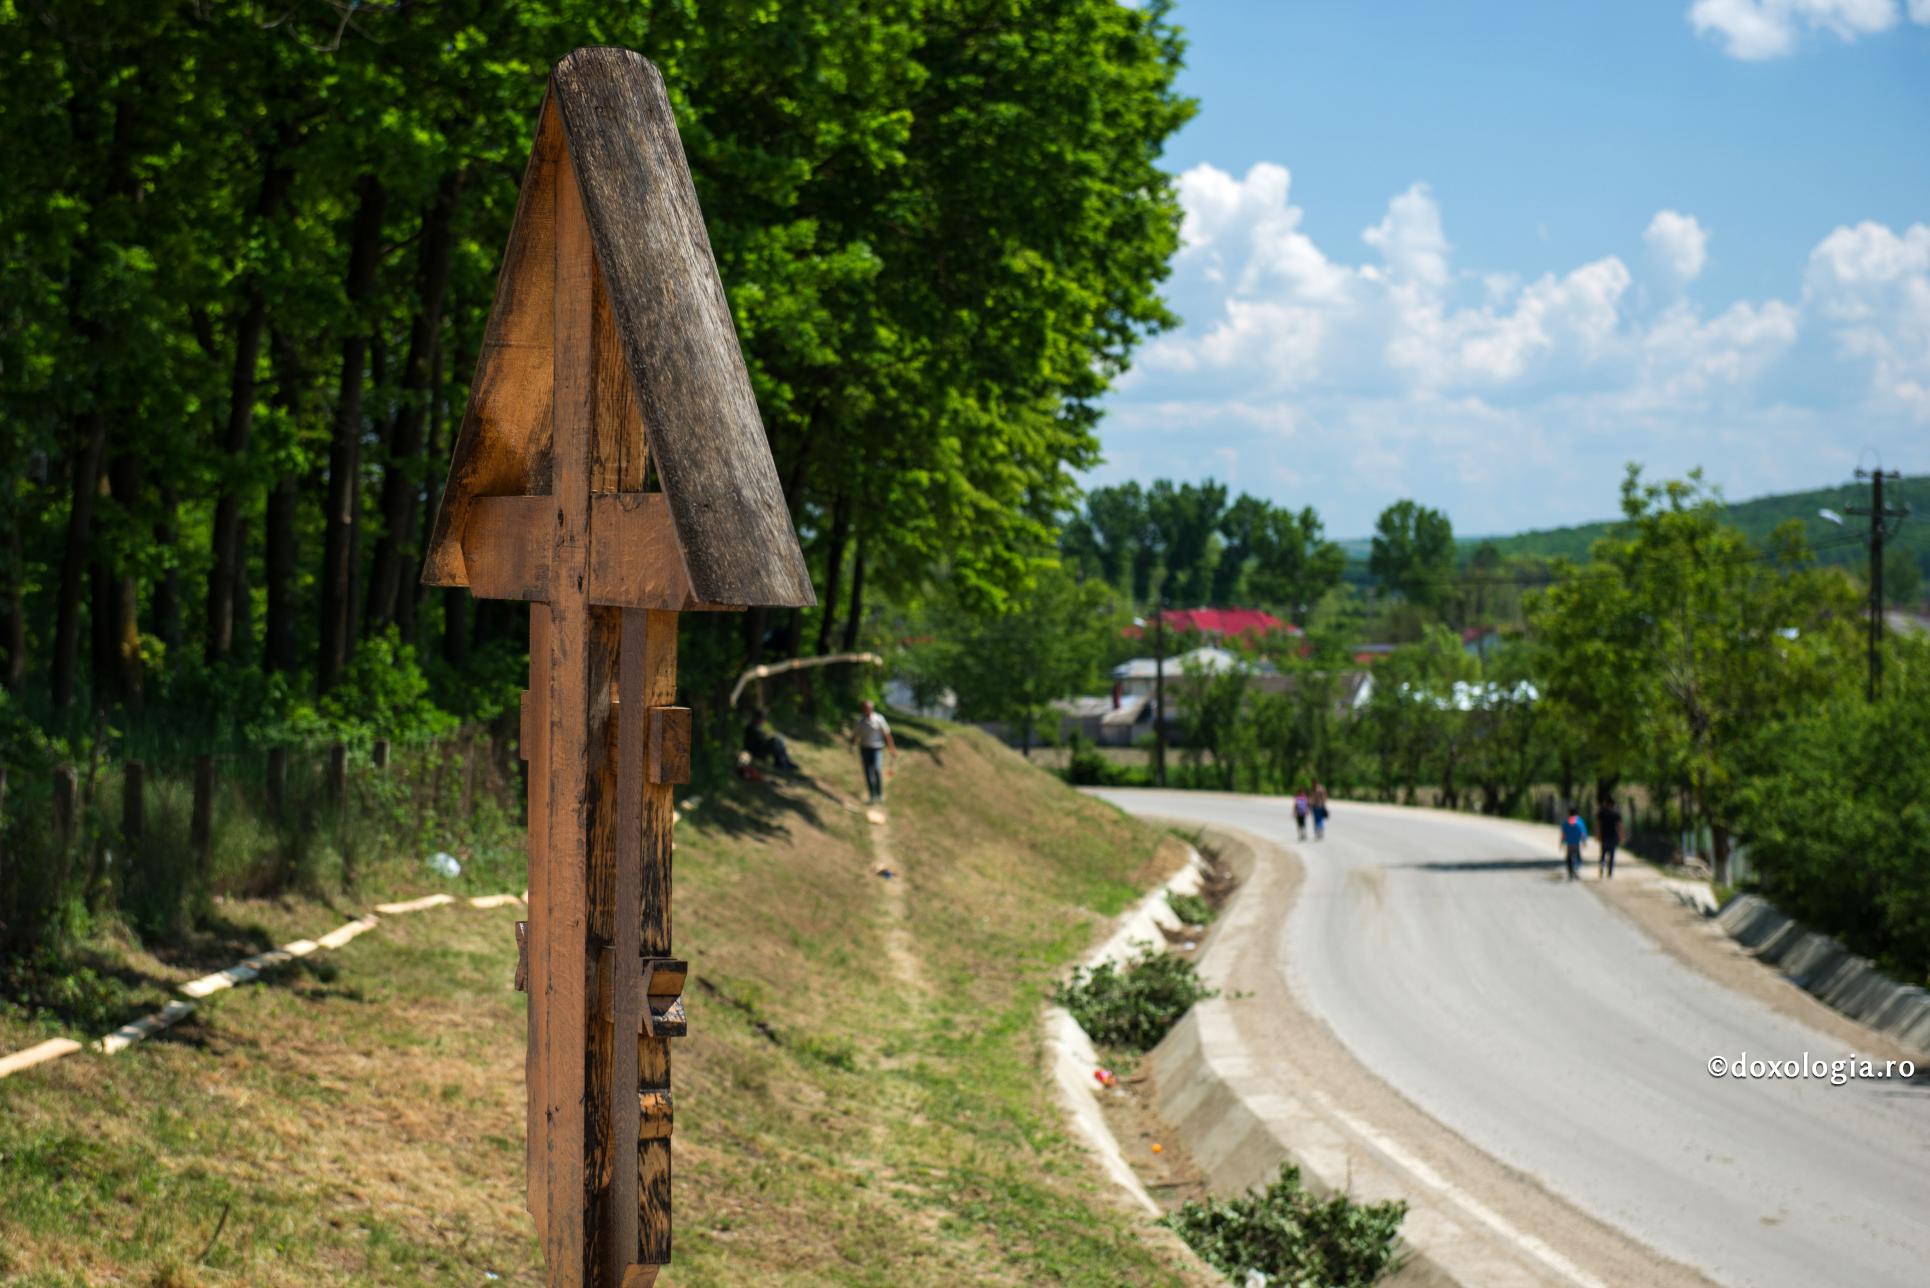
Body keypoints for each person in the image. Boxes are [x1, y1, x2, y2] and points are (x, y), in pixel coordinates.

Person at [850, 699, 896, 804]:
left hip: (877, 748)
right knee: (867, 772)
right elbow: (855, 735)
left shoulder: (879, 719)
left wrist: (892, 748)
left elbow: (887, 734)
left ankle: (879, 794)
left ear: (872, 708)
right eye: (865, 708)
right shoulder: (860, 721)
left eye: (869, 708)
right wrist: (852, 745)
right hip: (865, 749)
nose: (867, 710)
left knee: (877, 769)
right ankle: (872, 796)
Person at [742, 707, 798, 772]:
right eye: (763, 718)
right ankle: (781, 763)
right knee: (775, 741)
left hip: (758, 749)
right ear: (758, 718)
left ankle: (785, 761)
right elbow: (755, 743)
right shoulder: (751, 727)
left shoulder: (755, 727)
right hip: (756, 751)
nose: (764, 720)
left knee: (778, 739)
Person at [1560, 805, 1589, 881]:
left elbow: (1563, 833)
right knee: (1578, 857)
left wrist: (1562, 842)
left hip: (1569, 843)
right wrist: (1584, 841)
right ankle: (1576, 869)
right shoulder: (1579, 821)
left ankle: (1570, 871)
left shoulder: (1567, 821)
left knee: (1568, 857)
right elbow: (1583, 832)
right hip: (1576, 843)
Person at [1597, 799, 1622, 879]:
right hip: (1613, 837)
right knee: (1611, 856)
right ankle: (1609, 873)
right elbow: (1619, 826)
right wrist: (1621, 836)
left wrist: (1598, 835)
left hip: (1604, 837)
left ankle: (1602, 869)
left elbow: (1599, 825)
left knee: (1603, 855)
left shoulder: (1602, 813)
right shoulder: (1616, 814)